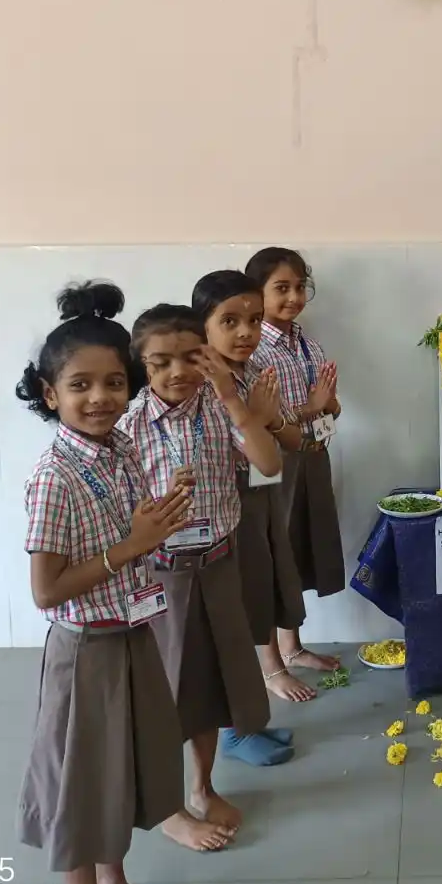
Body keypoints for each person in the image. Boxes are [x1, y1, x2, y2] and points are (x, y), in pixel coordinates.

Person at [14, 281, 196, 884]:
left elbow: (131, 534)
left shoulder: (120, 449)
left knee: (121, 773)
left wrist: (153, 527)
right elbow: (47, 590)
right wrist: (132, 546)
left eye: (114, 383)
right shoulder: (54, 477)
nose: (99, 398)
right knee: (82, 786)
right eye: (81, 385)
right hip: (85, 650)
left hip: (131, 632)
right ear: (49, 393)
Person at [117, 303, 285, 837]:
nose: (177, 373)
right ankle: (167, 809)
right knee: (165, 693)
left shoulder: (220, 405)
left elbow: (269, 463)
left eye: (191, 357)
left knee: (210, 686)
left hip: (217, 565)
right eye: (160, 362)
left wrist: (236, 401)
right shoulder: (127, 426)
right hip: (159, 576)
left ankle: (202, 787)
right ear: (143, 365)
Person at [193, 268, 323, 713]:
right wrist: (257, 419)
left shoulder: (253, 373)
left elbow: (289, 438)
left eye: (252, 320)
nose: (246, 332)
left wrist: (270, 420)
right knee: (248, 590)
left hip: (264, 495)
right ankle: (269, 670)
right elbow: (260, 451)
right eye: (230, 321)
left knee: (270, 579)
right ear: (203, 327)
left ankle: (282, 657)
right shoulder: (204, 386)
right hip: (229, 505)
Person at [244, 248, 347, 683]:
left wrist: (324, 406)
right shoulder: (252, 349)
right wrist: (311, 408)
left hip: (312, 458)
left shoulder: (306, 341)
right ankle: (270, 668)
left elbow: (333, 407)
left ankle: (294, 648)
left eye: (300, 286)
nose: (294, 297)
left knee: (297, 553)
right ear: (256, 293)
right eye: (281, 288)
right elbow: (266, 421)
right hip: (274, 464)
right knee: (269, 557)